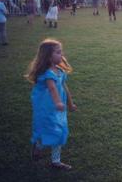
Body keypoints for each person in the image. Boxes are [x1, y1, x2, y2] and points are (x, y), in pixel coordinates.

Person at [26, 39, 77, 171]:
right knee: (48, 132)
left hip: (59, 110)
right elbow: (52, 88)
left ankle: (56, 161)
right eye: (58, 52)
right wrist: (58, 102)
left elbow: (64, 87)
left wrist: (70, 103)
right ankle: (37, 147)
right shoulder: (47, 73)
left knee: (59, 132)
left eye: (61, 52)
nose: (62, 55)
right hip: (47, 109)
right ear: (48, 56)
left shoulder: (60, 72)